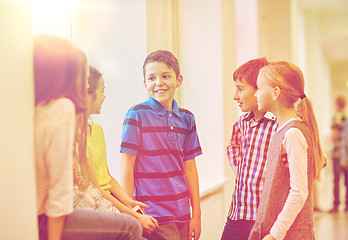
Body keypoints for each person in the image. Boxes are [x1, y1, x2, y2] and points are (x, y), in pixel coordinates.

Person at [34, 34, 142, 240]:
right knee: (131, 228)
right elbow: (60, 194)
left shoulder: (38, 108)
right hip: (44, 218)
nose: (85, 87)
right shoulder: (62, 109)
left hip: (39, 214)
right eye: (82, 80)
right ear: (64, 75)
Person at [120, 50, 202, 240]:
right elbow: (127, 165)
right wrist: (133, 212)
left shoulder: (187, 118)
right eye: (152, 78)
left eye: (165, 76)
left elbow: (190, 168)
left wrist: (196, 214)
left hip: (182, 214)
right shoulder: (136, 114)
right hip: (152, 215)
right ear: (145, 83)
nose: (159, 83)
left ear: (179, 80)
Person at [249, 61, 326, 240]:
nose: (255, 93)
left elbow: (299, 192)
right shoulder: (281, 129)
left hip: (289, 234)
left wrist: (275, 234)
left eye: (259, 88)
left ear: (276, 93)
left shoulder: (293, 133)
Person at [82, 65, 158, 233]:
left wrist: (128, 201)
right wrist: (134, 215)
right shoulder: (75, 138)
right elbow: (96, 187)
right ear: (88, 96)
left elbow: (107, 177)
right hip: (97, 206)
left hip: (111, 201)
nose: (104, 97)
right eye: (102, 91)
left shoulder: (97, 129)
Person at [221, 58, 278, 240]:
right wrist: (243, 170)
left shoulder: (278, 125)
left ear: (260, 89)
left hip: (264, 219)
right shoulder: (241, 123)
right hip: (238, 213)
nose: (235, 96)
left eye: (240, 88)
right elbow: (233, 146)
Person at [330, 95, 347, 212]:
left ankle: (336, 204)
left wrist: (331, 138)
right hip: (345, 151)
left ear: (337, 104)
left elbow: (335, 135)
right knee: (346, 179)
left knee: (336, 179)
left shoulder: (336, 116)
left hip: (337, 152)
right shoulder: (345, 117)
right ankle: (346, 204)